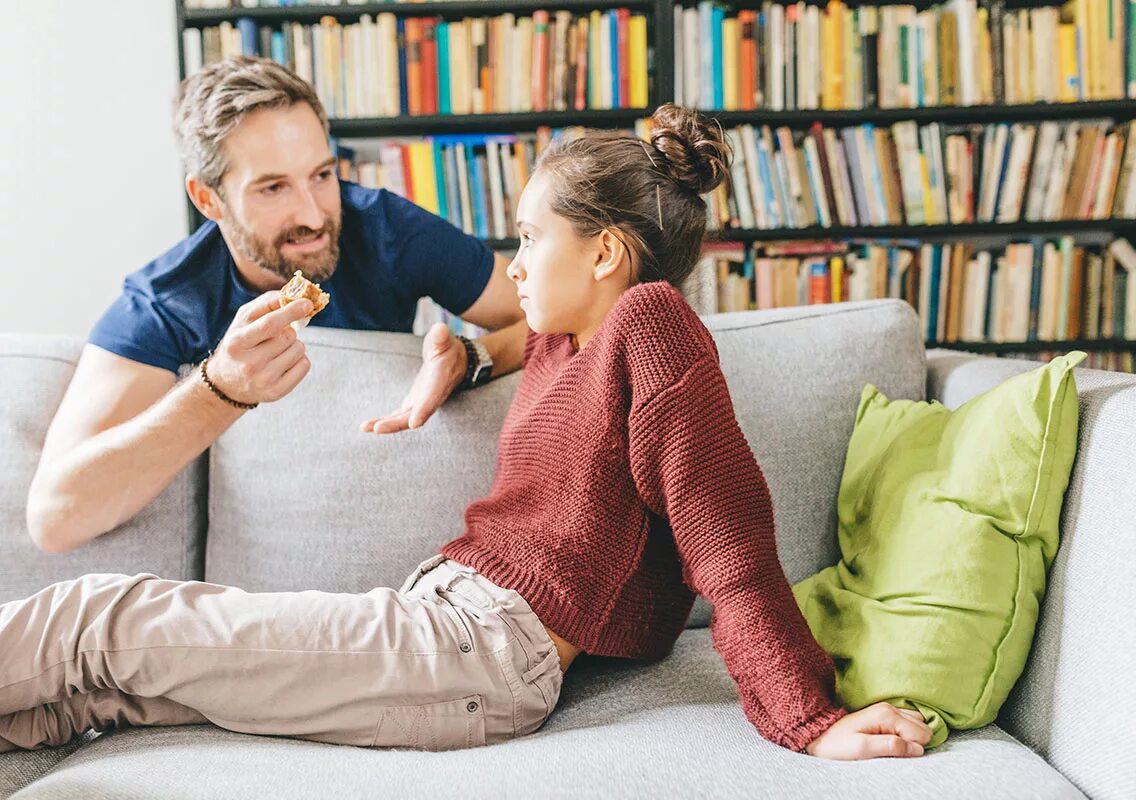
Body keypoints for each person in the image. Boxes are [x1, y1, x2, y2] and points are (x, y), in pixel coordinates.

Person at [0, 105, 932, 761]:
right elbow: (523, 330)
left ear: (605, 253)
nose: (512, 265)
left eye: (529, 240)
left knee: (100, 619)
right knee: (90, 690)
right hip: (448, 626)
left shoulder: (650, 325)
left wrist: (805, 716)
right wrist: (470, 357)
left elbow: (727, 536)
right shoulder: (576, 335)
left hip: (476, 654)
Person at [25, 55, 528, 554]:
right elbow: (54, 520)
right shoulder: (166, 302)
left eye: (322, 175)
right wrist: (220, 389)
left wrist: (473, 359)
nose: (314, 215)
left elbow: (566, 313)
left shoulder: (386, 230)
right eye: (272, 187)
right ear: (208, 199)